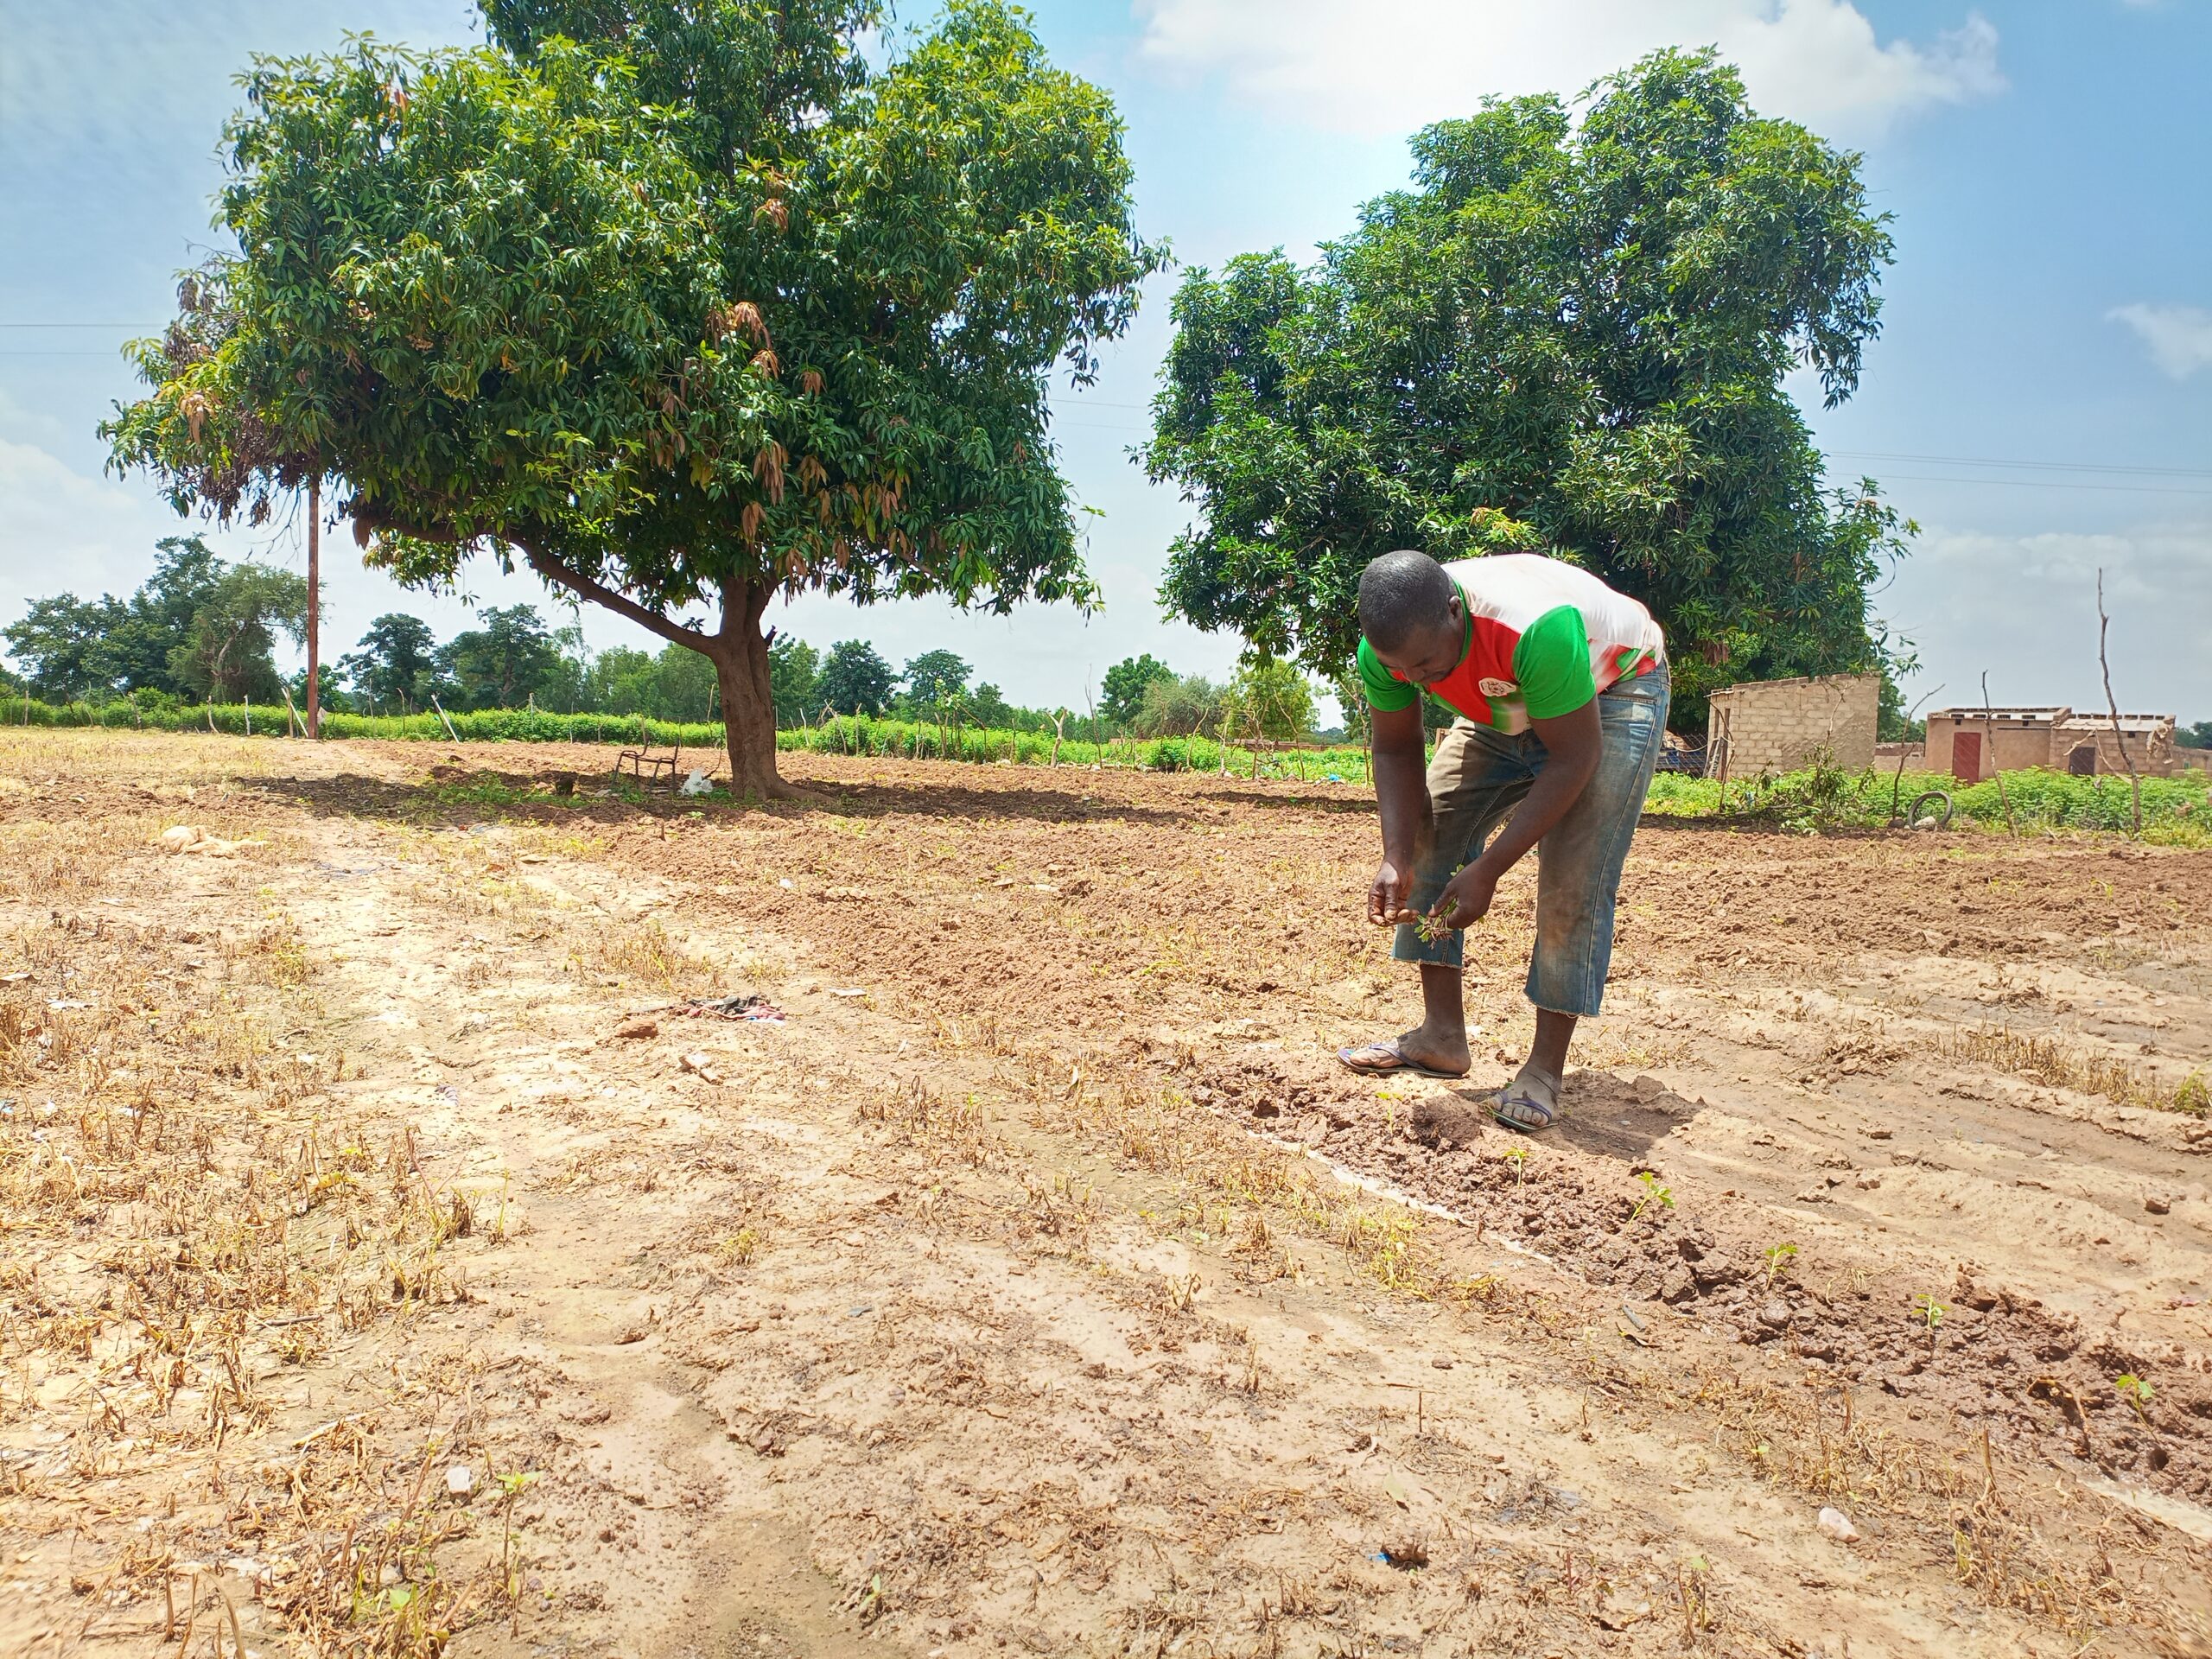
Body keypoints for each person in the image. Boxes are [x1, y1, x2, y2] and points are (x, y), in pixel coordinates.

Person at [1336, 549, 1669, 1133]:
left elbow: (1574, 756)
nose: (1416, 680)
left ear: (1453, 613)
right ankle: (1441, 1038)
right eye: (1401, 670)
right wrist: (1395, 854)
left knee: (1574, 877)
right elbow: (1394, 747)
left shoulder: (1533, 625)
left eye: (1427, 663)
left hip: (1613, 691)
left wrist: (1489, 868)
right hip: (1505, 703)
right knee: (1428, 833)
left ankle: (1543, 1071)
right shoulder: (1389, 651)